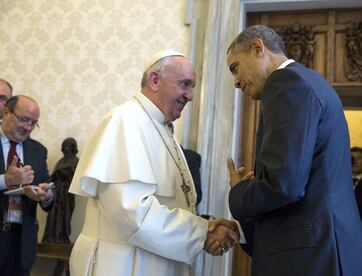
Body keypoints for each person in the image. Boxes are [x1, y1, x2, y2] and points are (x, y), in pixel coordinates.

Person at [69, 50, 239, 276]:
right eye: (184, 84)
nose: (189, 95)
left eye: (192, 87)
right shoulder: (125, 122)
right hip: (123, 265)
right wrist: (202, 232)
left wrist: (205, 226)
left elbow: (172, 205)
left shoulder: (161, 128)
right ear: (155, 80)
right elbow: (131, 212)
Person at [226, 25, 362, 275]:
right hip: (326, 252)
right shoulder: (310, 82)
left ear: (257, 48)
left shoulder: (287, 83)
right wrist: (242, 230)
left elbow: (284, 184)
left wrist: (238, 193)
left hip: (315, 259)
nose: (236, 82)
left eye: (235, 67)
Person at [0, 95, 54, 276]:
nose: (28, 128)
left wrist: (46, 196)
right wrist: (5, 181)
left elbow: (46, 187)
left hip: (22, 241)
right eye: (24, 120)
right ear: (6, 113)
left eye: (34, 123)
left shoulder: (38, 150)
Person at [42, 137, 79, 244]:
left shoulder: (76, 161)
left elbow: (77, 180)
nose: (65, 148)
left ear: (72, 147)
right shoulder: (61, 161)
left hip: (67, 194)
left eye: (67, 145)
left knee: (64, 215)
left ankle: (62, 236)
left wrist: (66, 175)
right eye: (64, 145)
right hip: (56, 192)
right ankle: (51, 237)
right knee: (53, 215)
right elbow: (53, 177)